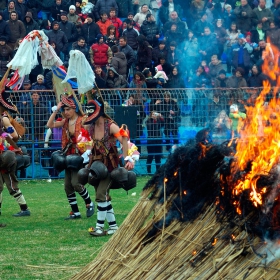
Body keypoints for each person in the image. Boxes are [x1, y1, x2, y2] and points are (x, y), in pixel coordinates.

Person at [84, 94, 134, 236]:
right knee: (103, 196)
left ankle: (99, 228)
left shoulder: (111, 125)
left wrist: (127, 158)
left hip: (109, 166)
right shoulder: (91, 126)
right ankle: (113, 227)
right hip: (96, 166)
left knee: (101, 194)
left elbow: (124, 139)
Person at [46, 94, 95, 219]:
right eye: (64, 110)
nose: (66, 112)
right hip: (68, 155)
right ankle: (75, 212)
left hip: (80, 155)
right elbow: (49, 125)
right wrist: (56, 110)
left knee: (76, 183)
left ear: (74, 109)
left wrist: (87, 153)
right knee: (68, 186)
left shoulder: (83, 120)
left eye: (68, 109)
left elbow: (91, 137)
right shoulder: (65, 122)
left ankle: (89, 203)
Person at [0, 89, 30, 217]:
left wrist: (12, 145)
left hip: (4, 154)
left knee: (10, 183)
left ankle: (24, 209)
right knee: (8, 184)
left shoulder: (4, 119)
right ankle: (24, 208)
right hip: (5, 152)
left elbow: (13, 135)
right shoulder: (4, 119)